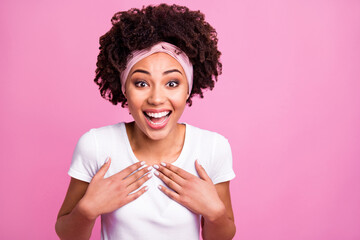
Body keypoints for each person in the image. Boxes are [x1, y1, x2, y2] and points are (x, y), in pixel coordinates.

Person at [55, 4, 236, 240]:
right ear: (124, 89)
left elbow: (221, 236)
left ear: (188, 90)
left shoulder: (213, 147)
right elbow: (68, 234)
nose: (157, 98)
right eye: (141, 83)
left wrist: (215, 212)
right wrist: (87, 210)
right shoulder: (97, 145)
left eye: (172, 83)